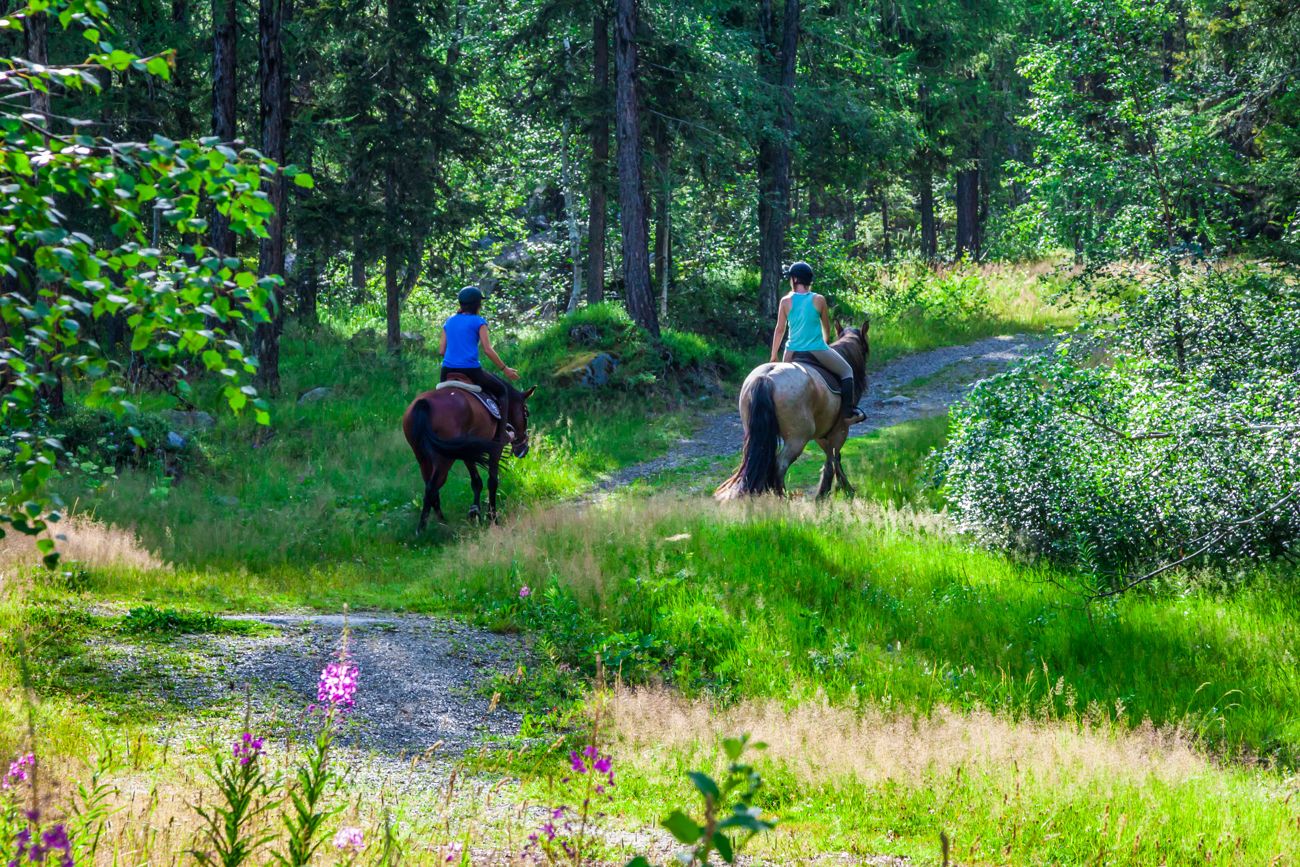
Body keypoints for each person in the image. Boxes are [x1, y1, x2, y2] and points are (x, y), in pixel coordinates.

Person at [769, 261, 861, 421]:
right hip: (816, 349)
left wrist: (773, 356)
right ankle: (847, 414)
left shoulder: (785, 301)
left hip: (791, 352)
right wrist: (825, 342)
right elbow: (826, 327)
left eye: (790, 278)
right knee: (847, 372)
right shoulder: (819, 300)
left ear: (795, 279)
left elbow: (779, 330)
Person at [438, 286, 520, 440]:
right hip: (470, 371)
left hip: (446, 371)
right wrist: (505, 369)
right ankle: (502, 433)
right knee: (502, 391)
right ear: (477, 305)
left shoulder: (449, 321)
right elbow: (488, 350)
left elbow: (441, 350)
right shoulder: (479, 321)